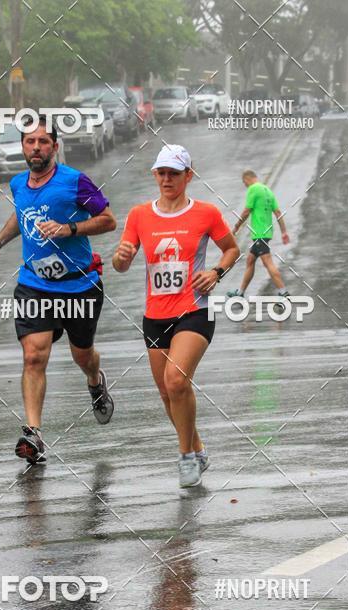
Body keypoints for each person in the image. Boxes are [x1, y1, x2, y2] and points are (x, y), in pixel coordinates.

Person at [0, 114, 116, 464]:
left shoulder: (75, 182)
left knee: (81, 355)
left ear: (55, 146)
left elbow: (108, 220)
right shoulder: (17, 184)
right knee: (33, 355)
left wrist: (68, 229)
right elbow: (20, 214)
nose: (36, 147)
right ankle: (33, 434)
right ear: (24, 147)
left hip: (79, 287)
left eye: (43, 141)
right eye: (30, 141)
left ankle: (94, 379)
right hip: (35, 285)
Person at [112, 144, 239, 488]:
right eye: (161, 173)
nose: (167, 179)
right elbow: (121, 264)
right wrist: (120, 257)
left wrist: (216, 273)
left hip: (193, 311)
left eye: (174, 173)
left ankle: (185, 457)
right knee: (168, 395)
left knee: (176, 381)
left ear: (188, 176)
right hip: (155, 316)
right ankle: (198, 449)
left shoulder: (206, 213)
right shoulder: (139, 215)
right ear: (154, 175)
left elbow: (231, 249)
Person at [226, 169, 290, 307]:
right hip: (265, 233)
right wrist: (284, 231)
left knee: (268, 262)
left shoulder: (253, 189)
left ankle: (284, 293)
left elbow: (246, 211)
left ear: (248, 179)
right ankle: (240, 292)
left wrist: (236, 227)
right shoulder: (267, 190)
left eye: (245, 183)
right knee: (250, 260)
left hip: (260, 233)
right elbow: (278, 212)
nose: (246, 186)